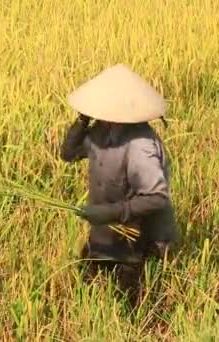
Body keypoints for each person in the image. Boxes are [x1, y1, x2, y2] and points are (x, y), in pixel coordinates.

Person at [59, 64, 178, 307]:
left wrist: (110, 212)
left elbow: (157, 198)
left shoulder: (140, 145)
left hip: (132, 233)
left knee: (127, 298)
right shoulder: (100, 131)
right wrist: (82, 121)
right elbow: (68, 154)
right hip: (103, 230)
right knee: (85, 287)